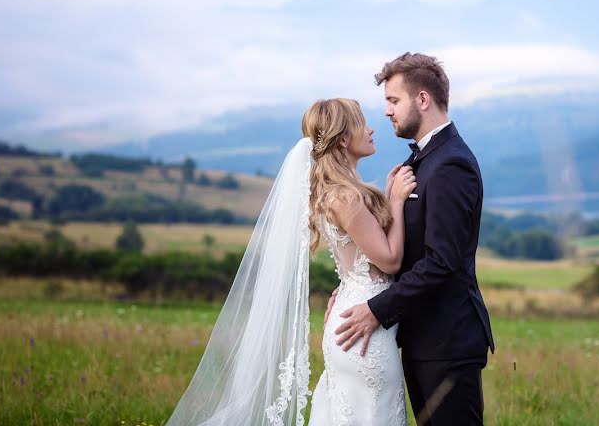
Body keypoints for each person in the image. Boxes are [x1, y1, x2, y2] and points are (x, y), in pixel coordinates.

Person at [164, 98, 416, 426]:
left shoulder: (337, 193)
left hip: (350, 315)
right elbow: (391, 261)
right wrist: (396, 202)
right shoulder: (346, 196)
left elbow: (360, 261)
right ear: (342, 138)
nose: (370, 129)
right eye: (361, 123)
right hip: (365, 330)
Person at [333, 52, 495, 426]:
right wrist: (353, 290)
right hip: (422, 339)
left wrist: (376, 310)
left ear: (422, 100)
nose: (387, 111)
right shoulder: (423, 160)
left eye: (393, 100)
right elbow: (400, 249)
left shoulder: (451, 163)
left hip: (448, 342)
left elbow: (442, 261)